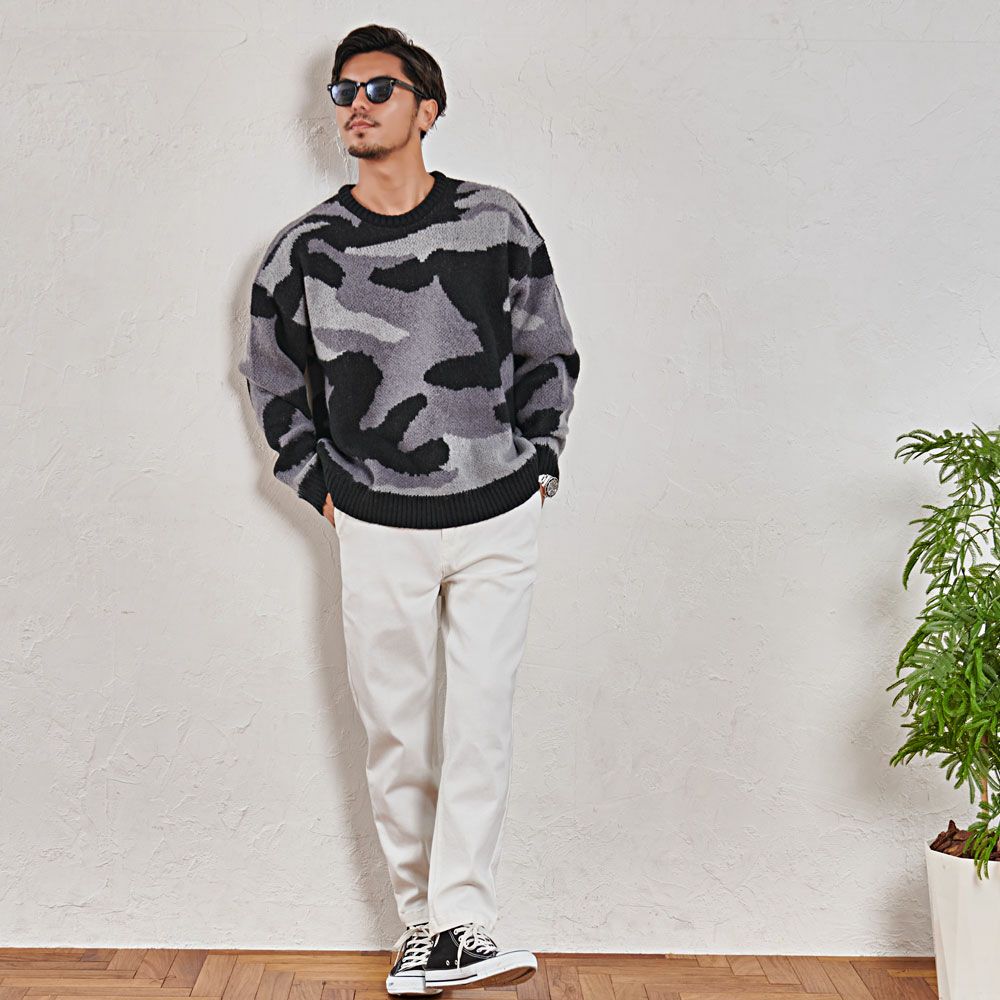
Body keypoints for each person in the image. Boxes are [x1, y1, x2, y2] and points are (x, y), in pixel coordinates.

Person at [238, 23, 580, 996]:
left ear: (427, 109)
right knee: (394, 728)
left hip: (496, 510)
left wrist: (541, 460)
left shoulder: (494, 222)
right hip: (378, 518)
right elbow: (268, 375)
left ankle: (467, 922)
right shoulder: (304, 248)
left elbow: (547, 345)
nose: (356, 104)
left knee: (479, 719)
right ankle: (422, 927)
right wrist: (322, 485)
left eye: (379, 88)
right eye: (343, 90)